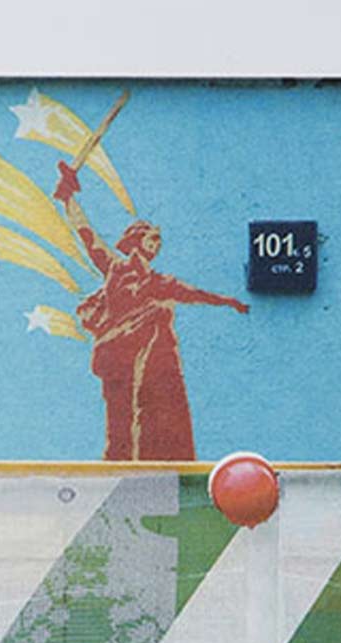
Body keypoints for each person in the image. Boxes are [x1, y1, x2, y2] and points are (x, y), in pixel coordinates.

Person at [53, 161, 249, 461]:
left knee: (144, 407)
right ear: (135, 240)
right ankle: (117, 464)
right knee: (119, 418)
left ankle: (149, 458)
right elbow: (88, 236)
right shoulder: (116, 268)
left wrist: (230, 302)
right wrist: (69, 200)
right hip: (115, 353)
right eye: (151, 238)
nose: (156, 244)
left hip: (142, 356)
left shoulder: (159, 282)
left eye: (158, 240)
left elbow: (195, 294)